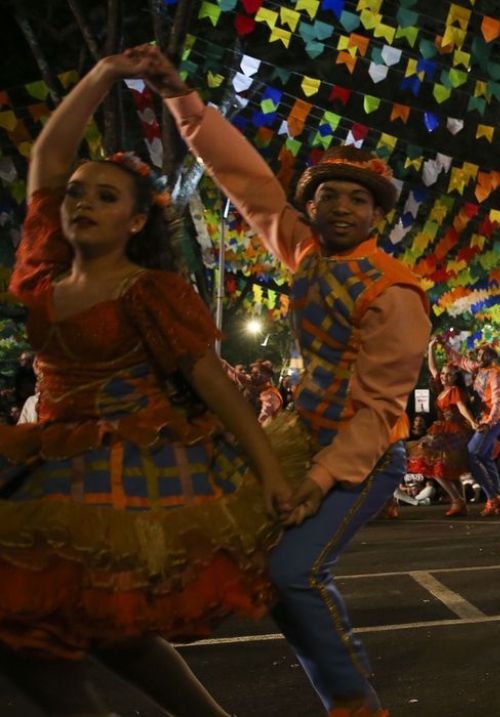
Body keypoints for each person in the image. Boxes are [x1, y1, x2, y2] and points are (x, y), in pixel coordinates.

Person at [0, 51, 291, 716]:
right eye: (77, 193)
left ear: (135, 222)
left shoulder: (149, 290)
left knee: (99, 628)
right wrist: (103, 74)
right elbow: (48, 158)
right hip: (52, 460)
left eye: (105, 196)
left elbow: (212, 382)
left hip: (124, 470)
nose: (82, 202)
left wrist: (270, 472)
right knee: (51, 630)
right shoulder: (44, 272)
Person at [145, 46, 431, 717]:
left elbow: (378, 410)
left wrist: (319, 479)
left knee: (293, 572)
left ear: (376, 215)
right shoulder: (303, 250)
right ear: (308, 204)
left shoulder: (394, 291)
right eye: (327, 194)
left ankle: (356, 705)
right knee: (247, 560)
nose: (340, 206)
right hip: (299, 434)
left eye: (357, 198)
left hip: (363, 456)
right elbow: (244, 179)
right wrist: (181, 98)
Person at [408, 344, 477, 517]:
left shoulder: (454, 390)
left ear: (456, 377)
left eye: (449, 374)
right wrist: (431, 347)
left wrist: (472, 422)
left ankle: (457, 500)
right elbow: (433, 368)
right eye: (444, 374)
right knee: (448, 468)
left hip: (455, 431)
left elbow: (462, 408)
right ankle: (461, 503)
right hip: (443, 429)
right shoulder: (442, 389)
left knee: (433, 463)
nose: (444, 376)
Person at [443, 343, 500, 516]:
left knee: (472, 455)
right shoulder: (479, 368)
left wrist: (488, 422)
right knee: (486, 459)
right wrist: (446, 346)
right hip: (485, 420)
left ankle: (492, 497)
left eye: (483, 355)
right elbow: (461, 360)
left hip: (492, 421)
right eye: (478, 355)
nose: (479, 358)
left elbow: (497, 402)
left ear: (491, 356)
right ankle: (499, 502)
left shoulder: (497, 375)